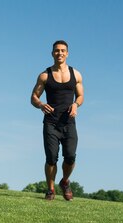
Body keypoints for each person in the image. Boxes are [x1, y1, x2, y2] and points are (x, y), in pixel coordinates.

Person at [30, 40, 84, 201]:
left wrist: (75, 104)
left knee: (70, 156)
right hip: (51, 123)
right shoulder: (45, 75)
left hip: (68, 123)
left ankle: (65, 181)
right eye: (56, 51)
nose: (59, 53)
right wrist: (40, 104)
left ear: (67, 53)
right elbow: (33, 97)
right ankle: (50, 189)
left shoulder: (76, 74)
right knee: (51, 158)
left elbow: (80, 96)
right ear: (52, 53)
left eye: (62, 51)